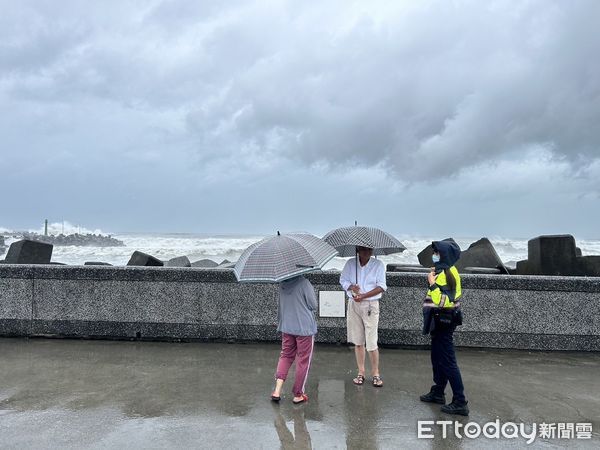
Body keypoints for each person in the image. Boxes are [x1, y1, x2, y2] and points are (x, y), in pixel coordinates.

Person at [420, 240, 469, 416]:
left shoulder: (450, 274)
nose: (434, 255)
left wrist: (432, 284)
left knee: (448, 361)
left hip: (445, 322)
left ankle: (460, 401)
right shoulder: (441, 271)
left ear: (444, 255)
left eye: (437, 252)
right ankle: (438, 391)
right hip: (437, 322)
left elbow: (444, 301)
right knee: (438, 358)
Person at [340, 246, 387, 387]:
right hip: (354, 304)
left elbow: (382, 287)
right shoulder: (350, 263)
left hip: (371, 305)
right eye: (364, 249)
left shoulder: (378, 264)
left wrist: (364, 296)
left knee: (372, 343)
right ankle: (361, 372)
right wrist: (351, 287)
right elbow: (343, 280)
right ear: (357, 250)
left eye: (370, 250)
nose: (367, 252)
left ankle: (376, 374)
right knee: (358, 341)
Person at [271, 275, 317, 404]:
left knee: (285, 356)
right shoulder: (304, 283)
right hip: (304, 329)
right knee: (303, 360)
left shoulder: (282, 283)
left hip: (287, 327)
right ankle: (298, 394)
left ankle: (277, 390)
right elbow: (313, 305)